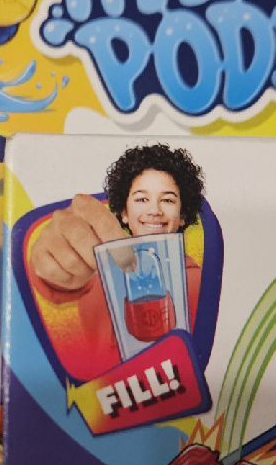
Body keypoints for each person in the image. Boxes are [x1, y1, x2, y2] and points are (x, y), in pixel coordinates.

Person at [25, 143, 206, 380]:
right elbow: (56, 284)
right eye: (142, 199)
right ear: (124, 212)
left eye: (168, 200)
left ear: (182, 215)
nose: (154, 210)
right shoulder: (96, 264)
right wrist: (51, 260)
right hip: (100, 398)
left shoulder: (201, 281)